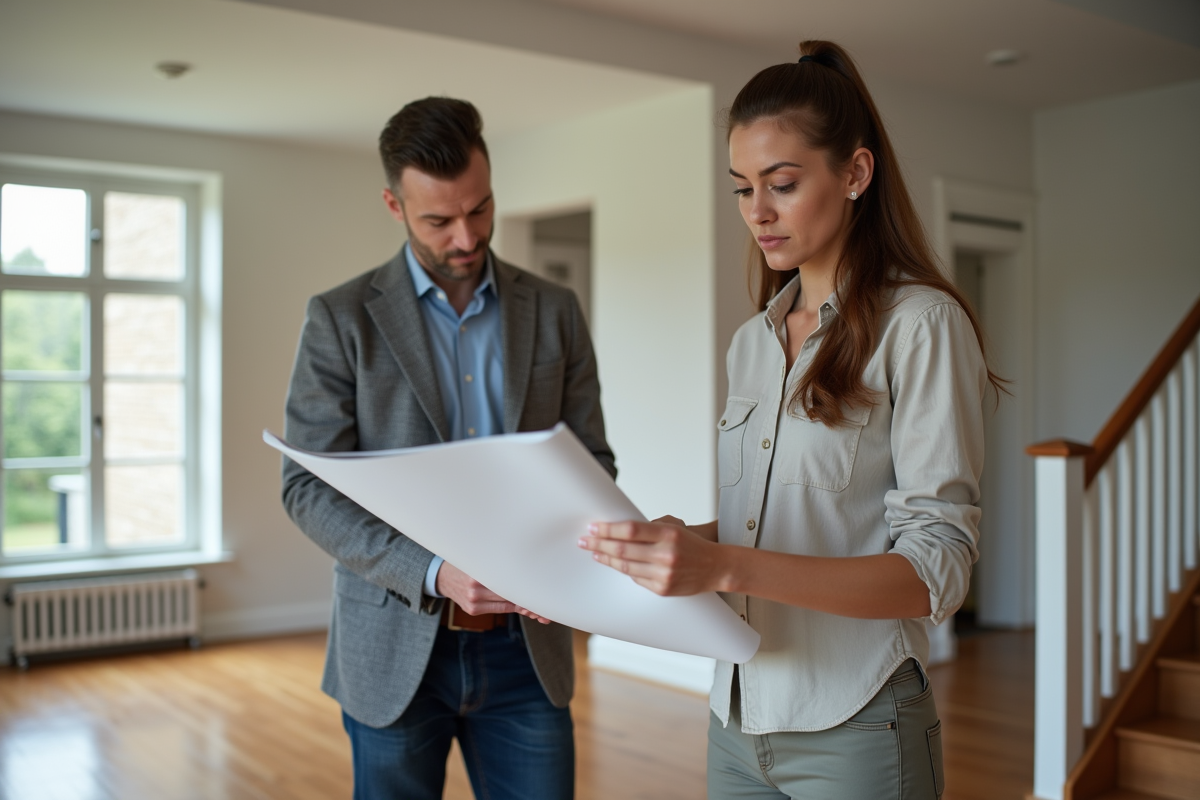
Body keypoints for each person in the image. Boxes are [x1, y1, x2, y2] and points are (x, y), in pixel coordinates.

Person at [580, 41, 1002, 799]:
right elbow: (782, 520)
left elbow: (936, 569)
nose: (757, 213)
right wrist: (684, 544)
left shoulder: (922, 326)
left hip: (860, 723)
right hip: (737, 719)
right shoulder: (754, 341)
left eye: (781, 183)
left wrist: (723, 566)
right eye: (743, 188)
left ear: (855, 174)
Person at [282, 96, 614, 800]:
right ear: (394, 206)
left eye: (481, 209)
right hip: (392, 645)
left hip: (530, 649)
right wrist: (433, 572)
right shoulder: (340, 319)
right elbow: (307, 487)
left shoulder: (556, 310)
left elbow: (593, 462)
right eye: (439, 220)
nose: (466, 237)